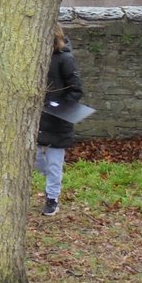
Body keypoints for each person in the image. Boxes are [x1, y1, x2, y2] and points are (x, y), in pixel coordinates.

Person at [36, 23, 84, 217]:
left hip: (58, 119)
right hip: (38, 120)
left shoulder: (65, 59)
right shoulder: (35, 57)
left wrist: (58, 106)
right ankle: (52, 181)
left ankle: (52, 198)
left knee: (55, 163)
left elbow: (76, 89)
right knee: (36, 160)